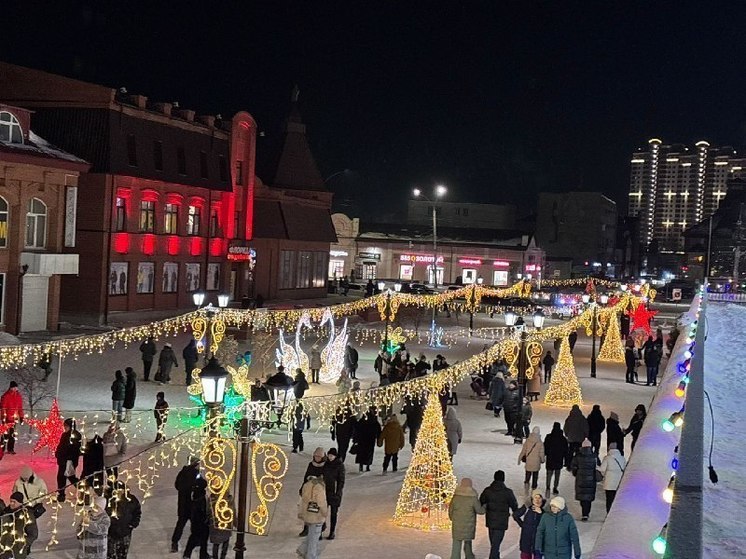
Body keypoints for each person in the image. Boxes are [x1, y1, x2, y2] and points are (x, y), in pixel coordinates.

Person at [479, 470, 519, 559]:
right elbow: (514, 505)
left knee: (494, 544)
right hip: (502, 522)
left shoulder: (487, 490)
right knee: (495, 545)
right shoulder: (508, 492)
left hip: (490, 521)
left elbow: (481, 502)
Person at [448, 478, 485, 559]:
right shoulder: (473, 498)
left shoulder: (456, 497)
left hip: (457, 524)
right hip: (469, 525)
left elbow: (450, 510)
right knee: (468, 541)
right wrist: (485, 506)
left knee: (456, 543)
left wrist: (452, 519)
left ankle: (455, 557)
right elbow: (480, 511)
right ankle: (469, 555)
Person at [171, 456, 201, 553]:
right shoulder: (196, 474)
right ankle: (195, 541)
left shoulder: (182, 472)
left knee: (180, 524)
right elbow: (200, 487)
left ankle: (175, 542)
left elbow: (177, 486)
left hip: (183, 504)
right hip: (192, 505)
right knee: (194, 524)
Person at [106, 481, 141, 559]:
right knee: (110, 554)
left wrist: (133, 524)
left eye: (121, 491)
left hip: (125, 532)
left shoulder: (131, 500)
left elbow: (137, 512)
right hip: (111, 532)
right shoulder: (108, 500)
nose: (119, 493)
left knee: (122, 554)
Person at [298, 475, 328, 559]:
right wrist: (325, 513)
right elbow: (321, 502)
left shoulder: (306, 485)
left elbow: (303, 500)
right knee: (314, 538)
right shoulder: (319, 487)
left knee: (311, 535)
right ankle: (310, 555)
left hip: (308, 515)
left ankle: (303, 550)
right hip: (317, 516)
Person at [0, 491, 38, 557]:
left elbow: (33, 534)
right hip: (4, 549)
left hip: (18, 550)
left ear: (20, 503)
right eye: (11, 501)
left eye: (14, 502)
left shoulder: (27, 515)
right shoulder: (6, 513)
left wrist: (22, 544)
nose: (12, 503)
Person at [513, 489, 545, 559]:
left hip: (538, 543)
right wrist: (523, 525)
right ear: (532, 499)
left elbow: (547, 524)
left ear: (542, 499)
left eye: (539, 498)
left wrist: (540, 514)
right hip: (526, 541)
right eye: (535, 497)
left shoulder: (545, 511)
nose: (537, 500)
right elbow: (515, 515)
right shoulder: (527, 508)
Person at [55, 417, 81, 502]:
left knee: (67, 477)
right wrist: (58, 453)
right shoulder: (64, 435)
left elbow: (73, 450)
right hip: (63, 461)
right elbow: (61, 446)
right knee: (63, 477)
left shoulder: (75, 436)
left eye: (66, 426)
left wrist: (65, 457)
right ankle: (61, 494)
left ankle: (82, 489)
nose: (64, 427)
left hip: (69, 461)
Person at [571, 439, 597, 521]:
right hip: (591, 479)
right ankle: (586, 513)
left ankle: (584, 512)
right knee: (588, 497)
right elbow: (597, 467)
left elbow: (573, 467)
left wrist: (576, 473)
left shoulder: (578, 456)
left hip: (581, 479)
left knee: (582, 496)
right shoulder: (594, 456)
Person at [183, 477, 210, 559]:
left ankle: (188, 554)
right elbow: (202, 510)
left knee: (194, 537)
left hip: (195, 521)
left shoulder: (194, 495)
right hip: (201, 522)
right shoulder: (200, 497)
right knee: (202, 539)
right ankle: (202, 555)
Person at [322, 448, 345, 539]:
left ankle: (332, 531)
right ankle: (322, 528)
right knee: (323, 511)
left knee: (334, 513)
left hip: (335, 493)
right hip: (325, 491)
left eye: (332, 455)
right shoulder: (326, 464)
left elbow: (341, 480)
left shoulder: (339, 465)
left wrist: (338, 492)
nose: (330, 457)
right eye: (329, 455)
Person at [598, 442, 626, 513]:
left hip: (609, 482)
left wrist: (596, 466)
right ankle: (616, 514)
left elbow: (602, 469)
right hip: (619, 481)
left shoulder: (607, 458)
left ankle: (609, 513)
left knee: (609, 499)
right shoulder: (622, 458)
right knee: (617, 499)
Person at [544, 422, 568, 496]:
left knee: (549, 474)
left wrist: (546, 454)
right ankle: (555, 487)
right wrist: (565, 459)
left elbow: (545, 447)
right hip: (559, 459)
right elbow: (566, 450)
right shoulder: (563, 439)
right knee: (557, 475)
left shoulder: (549, 437)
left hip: (550, 459)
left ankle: (548, 486)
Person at [1, 380, 24, 454]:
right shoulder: (6, 396)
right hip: (7, 418)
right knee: (5, 434)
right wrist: (3, 418)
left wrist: (21, 417)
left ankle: (10, 449)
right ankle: (2, 448)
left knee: (12, 434)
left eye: (16, 387)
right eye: (14, 387)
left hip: (14, 418)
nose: (15, 389)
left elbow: (20, 408)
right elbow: (3, 408)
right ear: (10, 388)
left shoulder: (18, 396)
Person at [208, 492, 233, 559]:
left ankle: (216, 557)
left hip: (216, 524)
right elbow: (233, 510)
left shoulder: (212, 499)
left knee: (216, 543)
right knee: (225, 542)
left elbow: (208, 511)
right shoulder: (228, 499)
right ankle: (222, 557)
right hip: (226, 523)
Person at [562, 405, 588, 469]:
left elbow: (566, 428)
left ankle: (569, 465)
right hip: (580, 438)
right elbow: (585, 427)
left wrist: (567, 434)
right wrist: (586, 435)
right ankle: (578, 465)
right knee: (579, 452)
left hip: (571, 438)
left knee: (570, 452)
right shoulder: (582, 418)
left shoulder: (569, 418)